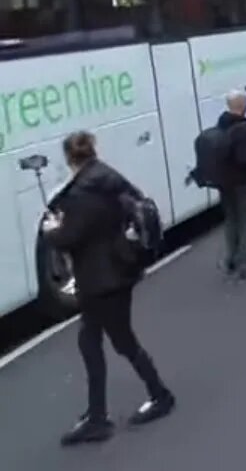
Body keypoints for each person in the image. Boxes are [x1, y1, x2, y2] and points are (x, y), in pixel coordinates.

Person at [41, 132, 175, 446]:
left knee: (122, 341)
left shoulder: (82, 193)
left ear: (70, 159)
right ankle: (97, 415)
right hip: (115, 272)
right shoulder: (109, 179)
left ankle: (160, 395)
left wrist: (50, 231)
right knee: (90, 342)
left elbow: (68, 237)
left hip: (102, 280)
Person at [216, 91, 246, 279]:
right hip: (245, 183)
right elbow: (245, 159)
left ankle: (230, 260)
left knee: (232, 222)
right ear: (244, 105)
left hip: (225, 183)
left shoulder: (221, 124)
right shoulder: (245, 129)